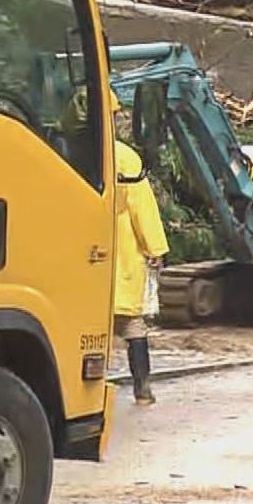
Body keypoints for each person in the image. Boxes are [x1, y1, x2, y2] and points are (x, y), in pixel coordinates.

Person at [110, 90, 170, 405]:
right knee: (132, 323)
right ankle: (142, 388)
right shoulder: (124, 156)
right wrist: (155, 248)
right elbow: (141, 208)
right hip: (121, 251)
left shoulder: (68, 151)